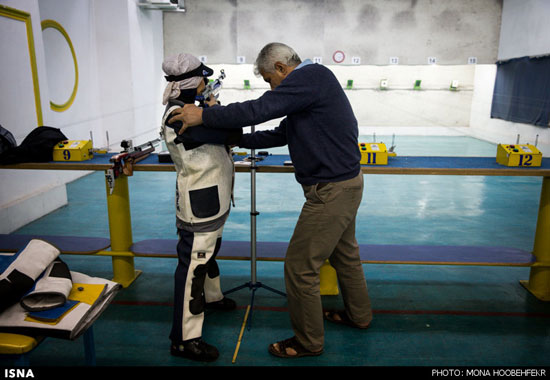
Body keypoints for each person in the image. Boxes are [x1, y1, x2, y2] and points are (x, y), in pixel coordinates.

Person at [168, 43, 373, 358]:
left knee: (299, 266)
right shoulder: (312, 86)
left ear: (280, 67)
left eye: (268, 79)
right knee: (345, 256)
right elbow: (281, 134)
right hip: (344, 185)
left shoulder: (310, 77)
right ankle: (359, 316)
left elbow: (257, 110)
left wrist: (205, 116)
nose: (270, 86)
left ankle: (307, 342)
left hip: (331, 192)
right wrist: (235, 139)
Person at [161, 53, 242, 362]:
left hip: (214, 196)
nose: (207, 84)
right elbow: (232, 134)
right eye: (203, 79)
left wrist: (208, 108)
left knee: (210, 252)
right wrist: (213, 112)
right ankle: (184, 338)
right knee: (194, 265)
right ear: (190, 83)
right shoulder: (178, 115)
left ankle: (212, 297)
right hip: (200, 201)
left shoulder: (194, 109)